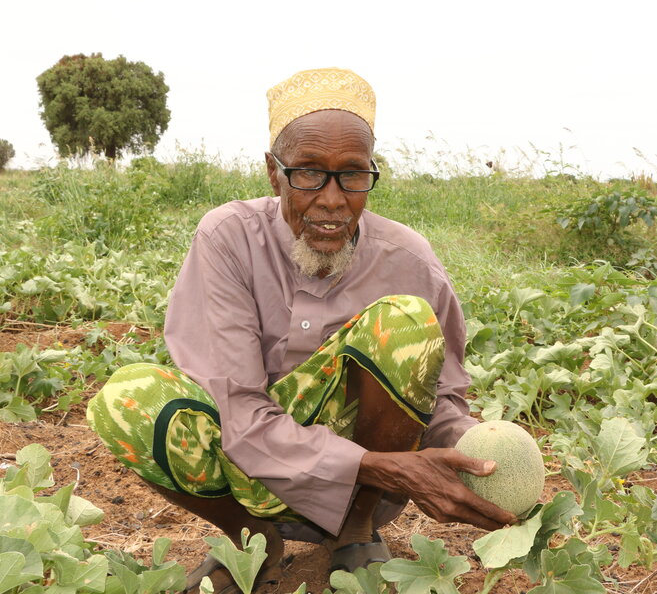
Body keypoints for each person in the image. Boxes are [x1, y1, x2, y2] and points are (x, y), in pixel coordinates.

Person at [86, 67, 516, 593]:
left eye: (353, 175)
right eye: (308, 173)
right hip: (244, 463)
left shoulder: (409, 260)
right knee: (125, 397)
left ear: (371, 173)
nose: (333, 199)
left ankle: (353, 530)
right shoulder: (228, 238)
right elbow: (239, 409)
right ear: (273, 173)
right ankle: (253, 537)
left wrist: (478, 453)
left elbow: (444, 396)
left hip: (365, 487)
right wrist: (383, 467)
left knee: (400, 320)